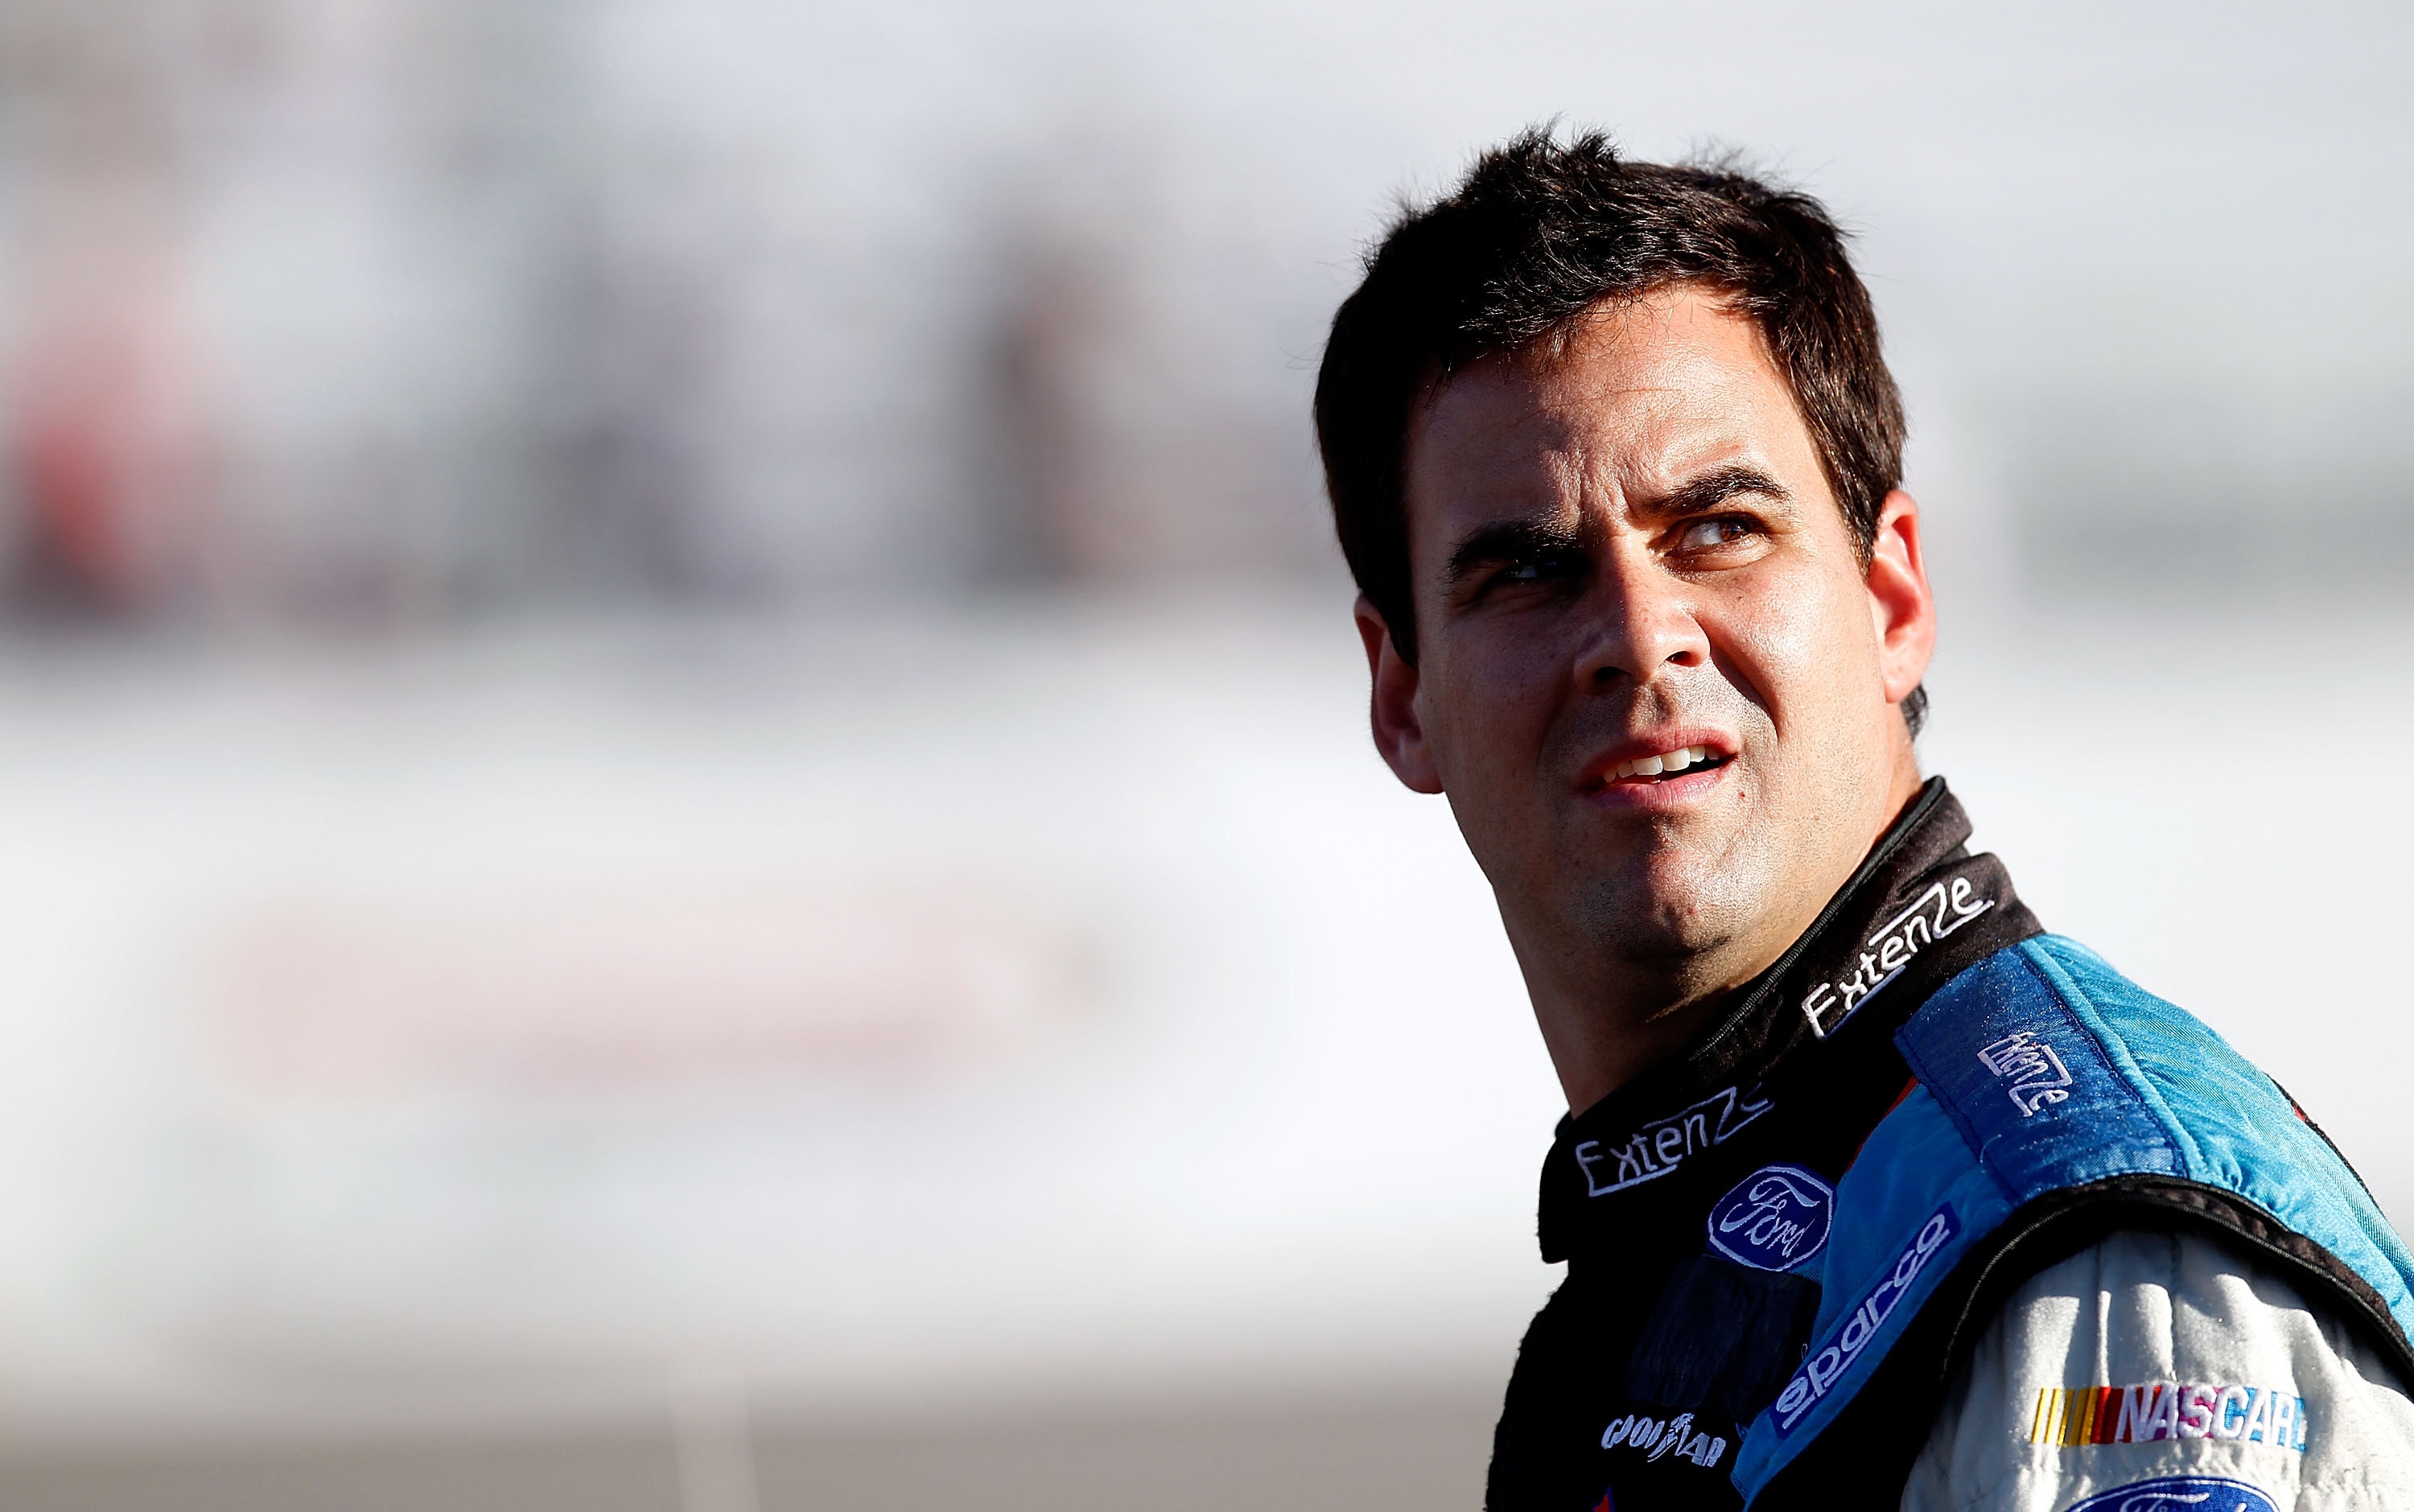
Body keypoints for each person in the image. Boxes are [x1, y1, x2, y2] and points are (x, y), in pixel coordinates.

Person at [1311, 130, 2414, 1510]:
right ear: (1401, 694)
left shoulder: (2096, 1258)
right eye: (1526, 571)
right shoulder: (1695, 1207)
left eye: (1718, 528)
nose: (1639, 638)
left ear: (1892, 599)